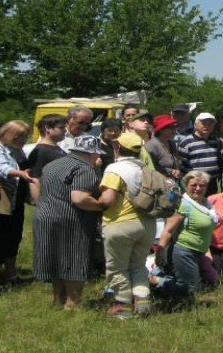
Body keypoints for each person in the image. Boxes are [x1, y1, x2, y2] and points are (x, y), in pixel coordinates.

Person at [32, 135, 106, 310]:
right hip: (70, 219)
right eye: (97, 154)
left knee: (55, 260)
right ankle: (73, 303)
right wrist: (102, 207)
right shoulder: (83, 168)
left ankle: (58, 301)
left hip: (44, 216)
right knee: (74, 259)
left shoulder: (52, 165)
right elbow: (80, 198)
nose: (99, 158)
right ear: (91, 153)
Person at [97, 132, 158, 319]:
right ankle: (142, 303)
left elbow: (108, 199)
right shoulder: (148, 171)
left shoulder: (115, 169)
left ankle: (122, 307)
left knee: (117, 267)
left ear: (118, 148)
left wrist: (94, 202)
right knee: (139, 265)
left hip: (121, 223)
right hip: (147, 225)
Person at [0, 120, 36, 290]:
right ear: (7, 134)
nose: (23, 139)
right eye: (19, 136)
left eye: (25, 136)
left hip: (15, 202)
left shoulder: (18, 152)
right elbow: (3, 169)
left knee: (14, 238)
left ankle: (11, 274)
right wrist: (21, 173)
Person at [157, 171, 219, 294]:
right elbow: (168, 230)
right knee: (190, 291)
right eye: (193, 185)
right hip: (183, 251)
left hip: (199, 252)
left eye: (202, 186)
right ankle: (153, 281)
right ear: (186, 185)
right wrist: (160, 252)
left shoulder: (207, 205)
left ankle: (164, 279)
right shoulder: (183, 205)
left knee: (210, 284)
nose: (198, 189)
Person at [177, 112, 223, 195]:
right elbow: (181, 165)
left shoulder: (216, 142)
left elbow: (219, 162)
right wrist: (195, 178)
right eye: (203, 123)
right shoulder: (186, 142)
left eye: (210, 124)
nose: (207, 126)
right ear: (195, 124)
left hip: (212, 183)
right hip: (195, 184)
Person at [27, 114, 68, 202]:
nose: (65, 131)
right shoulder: (40, 151)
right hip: (50, 202)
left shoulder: (56, 148)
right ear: (47, 128)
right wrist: (41, 206)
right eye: (61, 128)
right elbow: (34, 179)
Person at [145, 114, 184, 180]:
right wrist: (170, 171)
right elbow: (148, 167)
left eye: (175, 127)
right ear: (161, 130)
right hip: (158, 184)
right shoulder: (151, 146)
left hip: (173, 184)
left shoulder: (171, 143)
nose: (174, 130)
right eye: (171, 127)